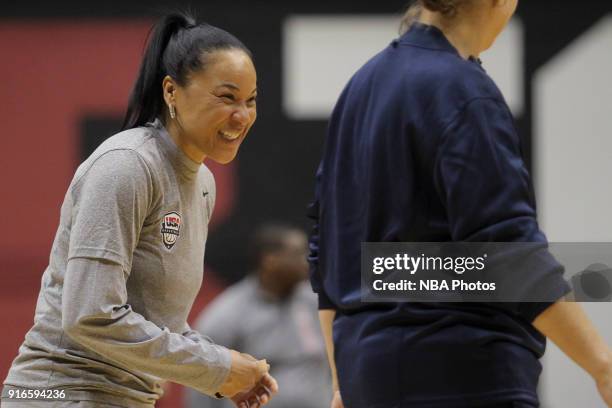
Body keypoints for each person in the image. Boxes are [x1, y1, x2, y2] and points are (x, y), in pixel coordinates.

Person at [307, 1, 612, 407]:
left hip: (368, 376)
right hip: (463, 374)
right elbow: (508, 252)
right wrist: (603, 367)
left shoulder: (361, 86)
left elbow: (327, 251)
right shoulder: (462, 90)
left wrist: (342, 380)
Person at [1, 12, 277, 408]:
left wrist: (227, 373)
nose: (243, 115)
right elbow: (89, 314)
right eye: (226, 97)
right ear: (171, 91)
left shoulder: (202, 183)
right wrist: (217, 366)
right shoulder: (127, 164)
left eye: (250, 100)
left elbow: (161, 324)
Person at [186, 224, 332, 408]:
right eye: (297, 254)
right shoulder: (228, 315)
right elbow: (201, 379)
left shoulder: (314, 301)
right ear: (270, 260)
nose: (307, 261)